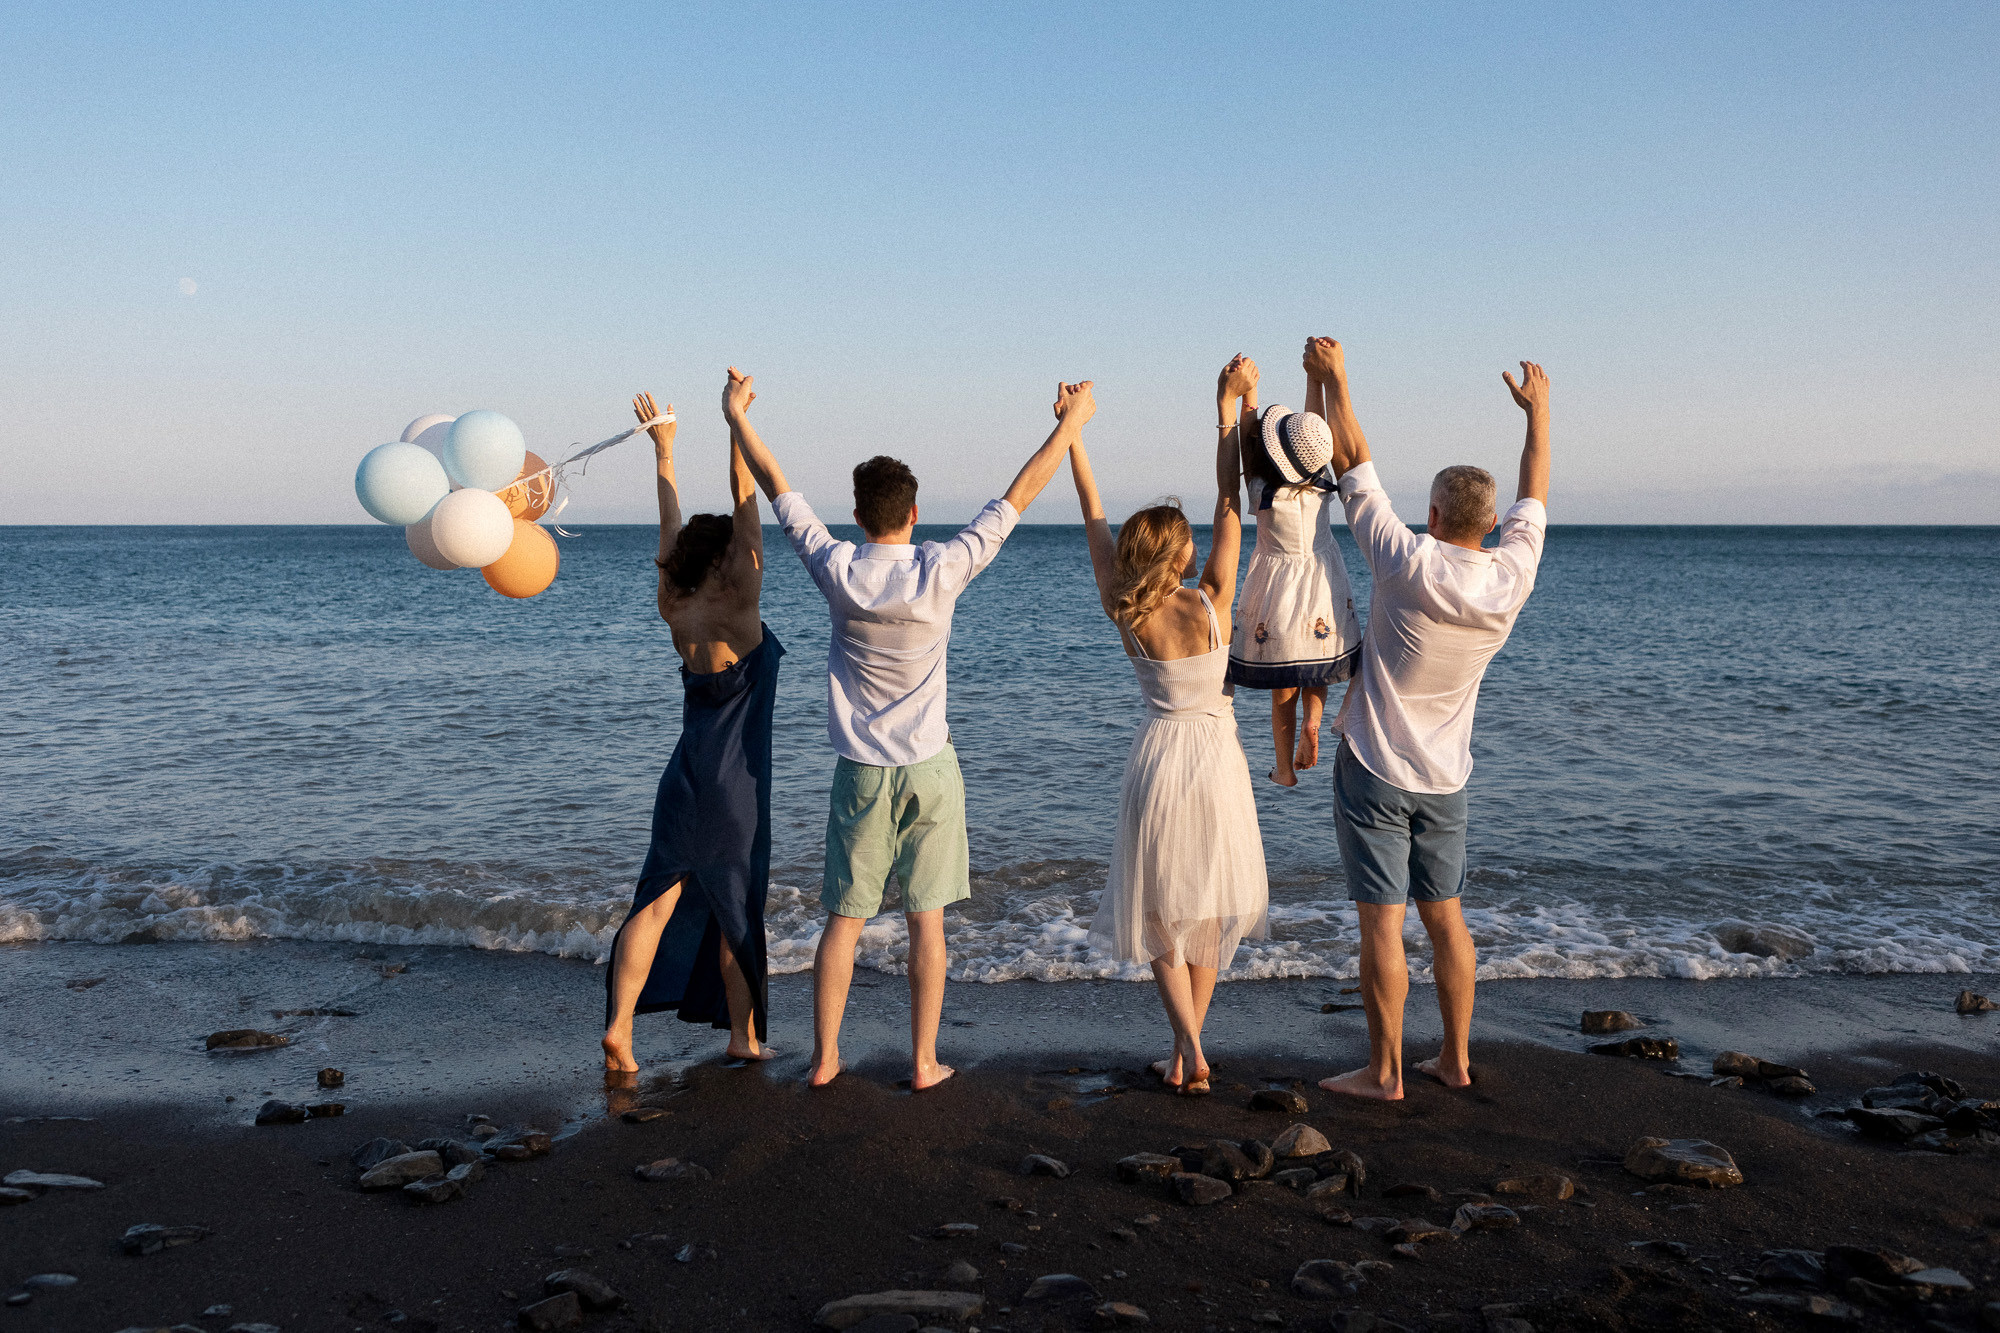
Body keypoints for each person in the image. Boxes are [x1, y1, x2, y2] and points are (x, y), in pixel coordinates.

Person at [721, 366, 1090, 1090]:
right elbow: (1020, 495)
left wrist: (736, 415)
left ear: (859, 516)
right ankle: (923, 1062)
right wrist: (1071, 424)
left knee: (844, 920)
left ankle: (826, 1057)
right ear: (914, 512)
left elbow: (776, 485)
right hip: (929, 767)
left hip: (861, 771)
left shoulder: (838, 568)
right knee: (928, 923)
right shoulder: (941, 569)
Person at [1305, 337, 1551, 1100]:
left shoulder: (1405, 562)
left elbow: (1353, 461)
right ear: (1491, 525)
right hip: (1447, 779)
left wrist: (1336, 378)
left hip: (1375, 767)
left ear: (1436, 514)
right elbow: (1536, 494)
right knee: (1446, 918)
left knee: (1381, 924)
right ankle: (1455, 1058)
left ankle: (1384, 1073)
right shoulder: (1511, 579)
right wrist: (1540, 413)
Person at [1073, 356, 1270, 1095]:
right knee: (1209, 906)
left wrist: (1074, 436)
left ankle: (1188, 1051)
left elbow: (1095, 521)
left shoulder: (1126, 611)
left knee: (1161, 913)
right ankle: (1192, 1048)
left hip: (1159, 759)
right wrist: (1229, 410)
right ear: (1181, 552)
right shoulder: (1213, 598)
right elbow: (1230, 499)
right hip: (1217, 757)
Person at [603, 388, 784, 1074]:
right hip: (732, 782)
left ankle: (620, 1028)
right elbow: (748, 503)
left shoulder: (672, 602)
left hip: (681, 774)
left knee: (654, 900)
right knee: (736, 912)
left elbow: (669, 527)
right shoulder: (741, 602)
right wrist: (735, 424)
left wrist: (666, 448)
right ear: (729, 559)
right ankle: (742, 1036)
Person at [1227, 373, 1363, 786]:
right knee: (1315, 664)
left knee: (1283, 686)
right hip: (1323, 580)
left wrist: (1248, 390)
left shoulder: (1261, 491)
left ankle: (1284, 769)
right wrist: (1314, 378)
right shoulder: (1323, 484)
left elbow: (1247, 441)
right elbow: (1314, 426)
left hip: (1278, 590)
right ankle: (1314, 723)